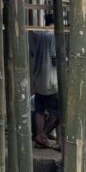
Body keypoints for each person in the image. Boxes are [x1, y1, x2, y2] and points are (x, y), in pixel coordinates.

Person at [29, 12, 60, 150]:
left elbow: (32, 53)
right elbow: (55, 60)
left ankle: (40, 135)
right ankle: (42, 136)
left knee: (39, 110)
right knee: (60, 113)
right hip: (50, 82)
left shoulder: (36, 34)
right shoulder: (54, 35)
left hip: (37, 79)